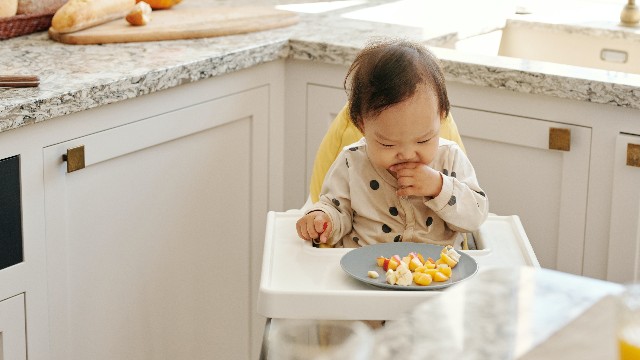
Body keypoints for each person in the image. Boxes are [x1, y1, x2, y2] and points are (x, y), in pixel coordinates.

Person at [296, 38, 488, 248]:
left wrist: (439, 188)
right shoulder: (352, 161)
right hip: (366, 270)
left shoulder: (450, 157)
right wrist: (323, 219)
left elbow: (476, 216)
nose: (407, 154)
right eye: (388, 144)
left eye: (423, 140)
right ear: (362, 125)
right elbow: (335, 208)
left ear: (441, 117)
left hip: (438, 273)